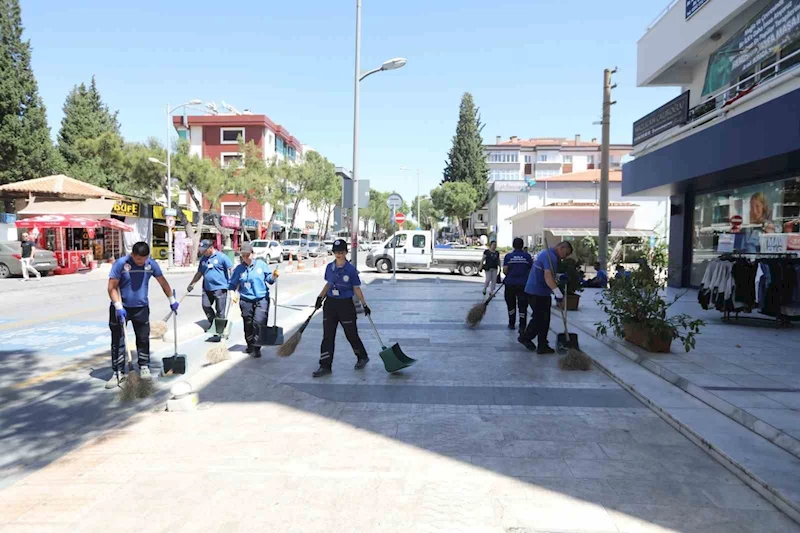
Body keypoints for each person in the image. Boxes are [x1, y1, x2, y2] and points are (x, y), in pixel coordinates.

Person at [106, 242, 178, 388]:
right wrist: (118, 307)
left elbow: (163, 282)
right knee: (118, 341)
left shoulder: (151, 264)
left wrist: (172, 300)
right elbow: (111, 287)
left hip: (141, 308)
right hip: (120, 307)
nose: (141, 262)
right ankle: (118, 372)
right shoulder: (121, 264)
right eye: (139, 259)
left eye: (144, 259)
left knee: (143, 338)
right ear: (132, 254)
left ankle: (144, 366)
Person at [313, 239, 370, 378]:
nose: (338, 255)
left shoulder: (350, 270)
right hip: (331, 304)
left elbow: (356, 288)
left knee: (351, 334)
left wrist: (364, 304)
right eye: (336, 252)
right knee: (328, 336)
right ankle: (325, 365)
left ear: (345, 252)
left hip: (345, 305)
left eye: (341, 252)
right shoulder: (329, 268)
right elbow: (328, 284)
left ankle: (362, 356)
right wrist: (320, 297)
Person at [518, 241, 573, 354]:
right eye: (566, 254)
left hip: (542, 291)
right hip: (536, 291)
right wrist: (557, 292)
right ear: (561, 248)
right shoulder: (550, 256)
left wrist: (559, 276)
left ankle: (542, 345)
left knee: (545, 319)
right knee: (539, 318)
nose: (565, 257)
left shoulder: (548, 254)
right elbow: (547, 276)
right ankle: (525, 337)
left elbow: (548, 273)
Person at [228, 242, 279, 357]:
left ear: (253, 254)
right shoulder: (239, 269)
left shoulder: (261, 265)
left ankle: (257, 346)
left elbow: (269, 280)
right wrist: (232, 294)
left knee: (258, 322)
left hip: (261, 299)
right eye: (243, 255)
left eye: (248, 254)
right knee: (248, 323)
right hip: (246, 300)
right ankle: (250, 344)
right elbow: (232, 284)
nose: (246, 257)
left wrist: (274, 276)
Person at [187, 239, 233, 340]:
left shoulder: (222, 257)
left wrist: (232, 285)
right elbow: (199, 273)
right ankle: (213, 324)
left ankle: (220, 331)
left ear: (211, 248)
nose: (202, 252)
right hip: (207, 288)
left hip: (220, 288)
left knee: (220, 311)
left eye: (204, 250)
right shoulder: (203, 259)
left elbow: (231, 269)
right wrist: (192, 284)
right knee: (205, 305)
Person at [503, 237, 533, 333]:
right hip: (523, 285)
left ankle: (511, 323)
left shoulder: (508, 256)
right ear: (522, 245)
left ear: (513, 245)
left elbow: (505, 270)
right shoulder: (527, 256)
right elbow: (531, 270)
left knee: (510, 304)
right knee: (523, 305)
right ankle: (522, 325)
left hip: (510, 284)